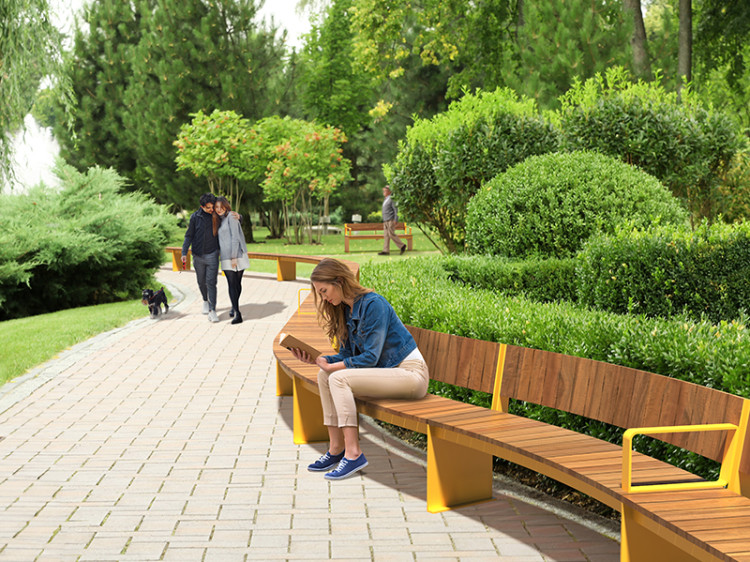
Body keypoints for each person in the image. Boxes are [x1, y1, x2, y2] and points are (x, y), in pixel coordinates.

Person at [289, 258, 429, 480]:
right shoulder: (345, 310)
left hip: (411, 374)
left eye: (324, 290)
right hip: (386, 373)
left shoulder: (374, 305)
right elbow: (347, 356)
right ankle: (336, 449)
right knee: (325, 374)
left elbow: (371, 357)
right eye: (320, 293)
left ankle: (354, 454)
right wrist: (318, 359)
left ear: (340, 281)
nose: (324, 297)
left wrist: (334, 366)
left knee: (338, 378)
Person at [181, 193, 220, 322]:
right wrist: (184, 252)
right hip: (198, 255)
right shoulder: (195, 217)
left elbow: (231, 219)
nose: (211, 210)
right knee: (201, 281)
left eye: (212, 206)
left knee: (211, 282)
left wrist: (240, 217)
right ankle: (205, 300)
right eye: (208, 207)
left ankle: (212, 310)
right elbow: (189, 236)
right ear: (202, 206)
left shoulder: (217, 216)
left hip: (212, 254)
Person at [214, 196, 250, 325]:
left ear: (226, 205)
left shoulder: (231, 217)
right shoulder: (218, 220)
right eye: (216, 207)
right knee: (232, 284)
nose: (219, 209)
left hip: (236, 256)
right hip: (224, 256)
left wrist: (234, 257)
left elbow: (235, 237)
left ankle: (235, 309)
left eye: (221, 206)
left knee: (236, 284)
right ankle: (237, 311)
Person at [378, 185, 406, 256]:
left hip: (390, 220)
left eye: (385, 190)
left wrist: (396, 219)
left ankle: (402, 246)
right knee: (386, 235)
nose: (384, 191)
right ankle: (385, 250)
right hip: (385, 220)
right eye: (384, 190)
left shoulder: (392, 199)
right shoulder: (386, 199)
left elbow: (395, 210)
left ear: (389, 191)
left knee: (391, 234)